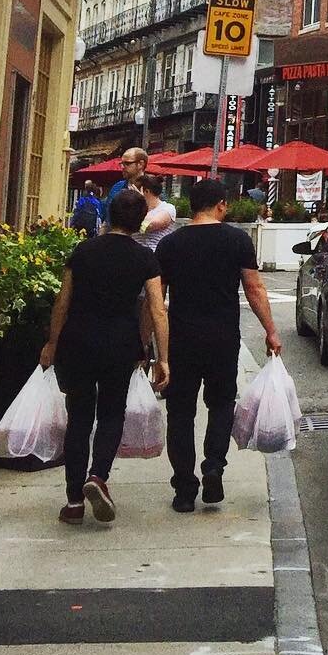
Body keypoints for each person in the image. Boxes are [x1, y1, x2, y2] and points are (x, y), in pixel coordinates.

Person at [40, 187, 169, 526]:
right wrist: (160, 356)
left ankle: (72, 502)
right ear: (141, 220)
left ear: (109, 214)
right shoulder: (145, 258)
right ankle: (98, 476)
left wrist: (52, 343)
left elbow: (62, 302)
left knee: (79, 418)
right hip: (120, 344)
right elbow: (156, 309)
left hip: (78, 341)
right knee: (111, 413)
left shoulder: (82, 251)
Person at [156, 176, 281, 513]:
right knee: (221, 403)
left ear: (192, 206)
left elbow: (156, 301)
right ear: (221, 204)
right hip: (223, 337)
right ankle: (213, 465)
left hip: (182, 338)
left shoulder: (170, 245)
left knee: (180, 411)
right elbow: (254, 289)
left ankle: (184, 488)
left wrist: (153, 346)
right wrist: (270, 330)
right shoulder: (237, 240)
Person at [138, 174, 177, 251]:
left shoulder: (168, 208)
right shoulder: (136, 208)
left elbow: (148, 226)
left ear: (146, 191)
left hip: (156, 255)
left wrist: (133, 224)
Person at [107, 146, 148, 216]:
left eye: (127, 163)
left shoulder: (152, 189)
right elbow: (108, 217)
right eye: (122, 164)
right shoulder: (117, 187)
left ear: (141, 164)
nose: (122, 167)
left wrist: (143, 203)